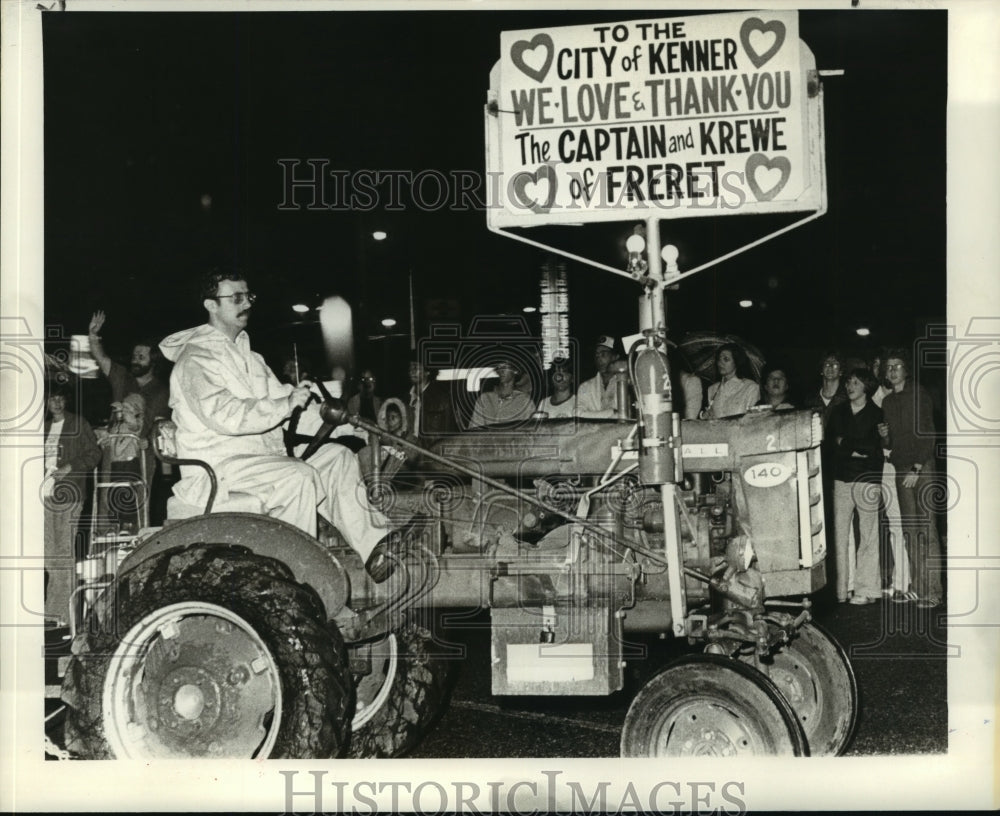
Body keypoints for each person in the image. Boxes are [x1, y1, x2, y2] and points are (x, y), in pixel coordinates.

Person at [158, 268, 407, 582]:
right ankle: (297, 582)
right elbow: (226, 414)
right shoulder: (195, 360)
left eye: (248, 296)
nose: (246, 303)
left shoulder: (252, 359)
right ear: (211, 305)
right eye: (235, 297)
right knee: (297, 477)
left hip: (258, 461)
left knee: (336, 458)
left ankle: (376, 548)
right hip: (219, 465)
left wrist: (350, 426)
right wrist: (283, 405)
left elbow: (294, 406)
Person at [87, 311, 171, 522]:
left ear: (153, 361)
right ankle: (108, 543)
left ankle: (135, 541)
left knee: (137, 503)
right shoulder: (123, 378)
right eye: (134, 356)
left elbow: (163, 425)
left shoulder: (162, 391)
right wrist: (93, 335)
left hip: (142, 454)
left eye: (141, 357)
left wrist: (149, 440)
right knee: (107, 500)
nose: (136, 360)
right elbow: (102, 358)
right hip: (114, 450)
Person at [879, 349, 943, 608]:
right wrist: (884, 435)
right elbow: (891, 444)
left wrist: (917, 468)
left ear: (906, 370)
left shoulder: (919, 393)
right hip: (901, 468)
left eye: (898, 366)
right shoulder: (887, 402)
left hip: (921, 466)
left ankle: (934, 592)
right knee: (911, 531)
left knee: (927, 529)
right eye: (889, 367)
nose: (893, 370)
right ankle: (918, 587)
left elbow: (929, 431)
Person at [43, 384, 102, 627]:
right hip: (44, 494)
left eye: (60, 398)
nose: (56, 403)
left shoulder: (78, 424)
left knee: (64, 551)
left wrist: (70, 467)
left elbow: (94, 454)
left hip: (70, 494)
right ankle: (56, 612)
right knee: (48, 553)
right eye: (51, 399)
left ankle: (61, 616)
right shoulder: (42, 427)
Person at [827, 368, 884, 605]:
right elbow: (831, 442)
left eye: (856, 383)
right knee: (840, 536)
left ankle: (867, 590)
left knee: (869, 536)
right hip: (841, 479)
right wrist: (855, 447)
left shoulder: (877, 413)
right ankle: (841, 590)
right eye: (849, 382)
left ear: (866, 387)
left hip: (868, 479)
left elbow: (873, 450)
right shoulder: (839, 411)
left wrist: (847, 444)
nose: (850, 386)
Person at [870, 353, 910, 599]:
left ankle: (902, 583)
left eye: (882, 365)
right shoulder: (872, 396)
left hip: (894, 464)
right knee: (876, 525)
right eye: (877, 364)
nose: (880, 369)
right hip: (875, 466)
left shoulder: (897, 397)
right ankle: (878, 582)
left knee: (897, 522)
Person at [468, 359, 536, 428]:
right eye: (499, 367)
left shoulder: (524, 401)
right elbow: (474, 429)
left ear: (516, 371)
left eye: (506, 367)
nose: (501, 371)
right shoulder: (485, 398)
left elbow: (529, 431)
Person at [701, 344, 760, 419]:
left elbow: (752, 420)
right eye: (719, 359)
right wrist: (707, 417)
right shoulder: (712, 389)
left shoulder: (751, 387)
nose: (720, 363)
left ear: (736, 362)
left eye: (726, 359)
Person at [408, 360, 458, 439]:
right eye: (410, 368)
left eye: (416, 367)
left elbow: (450, 432)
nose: (412, 371)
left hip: (431, 450)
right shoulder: (406, 398)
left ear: (427, 372)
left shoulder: (442, 399)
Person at [577, 335, 621, 415]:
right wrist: (612, 412)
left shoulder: (625, 383)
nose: (599, 359)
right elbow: (578, 414)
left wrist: (592, 415)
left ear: (615, 357)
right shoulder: (585, 387)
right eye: (596, 355)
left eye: (603, 354)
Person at [805, 351, 848, 431]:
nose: (830, 367)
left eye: (835, 365)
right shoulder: (810, 400)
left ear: (841, 371)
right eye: (827, 364)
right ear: (821, 370)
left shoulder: (848, 398)